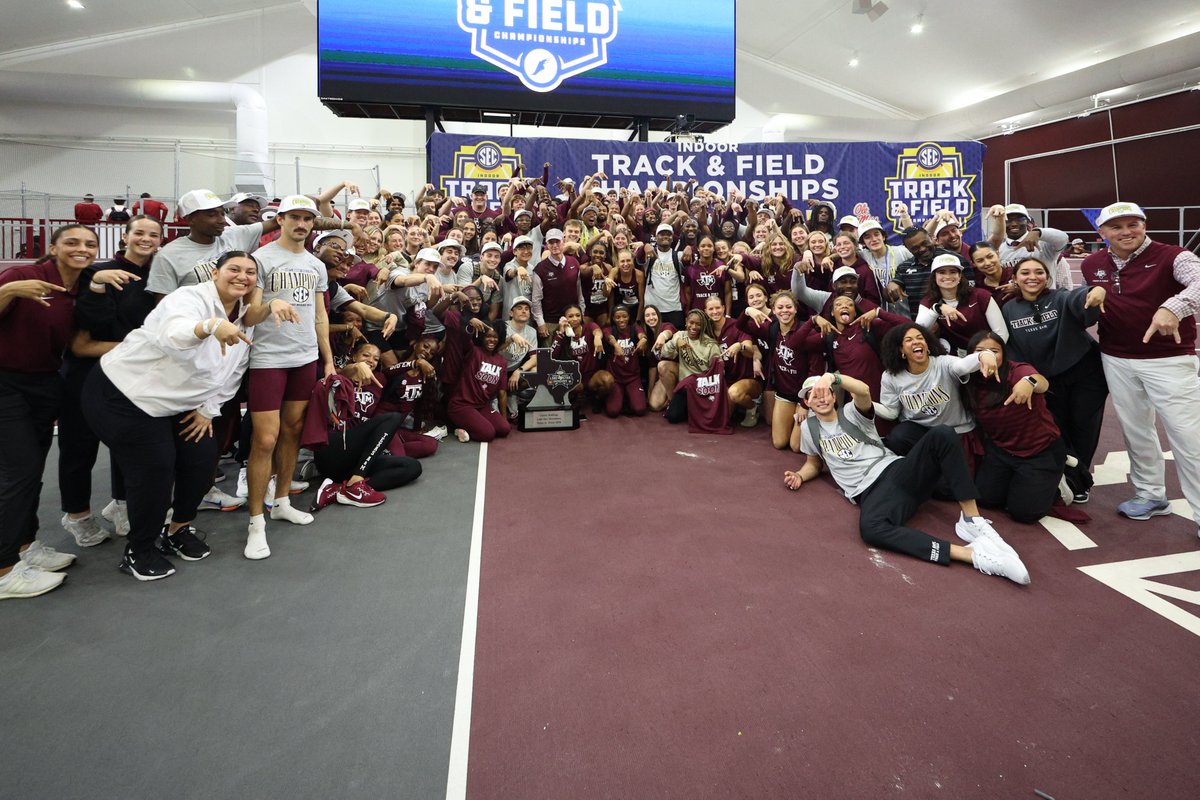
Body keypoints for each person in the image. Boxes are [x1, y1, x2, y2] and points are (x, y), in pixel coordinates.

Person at [83, 251, 298, 580]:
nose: (242, 276)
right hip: (124, 394)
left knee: (201, 462)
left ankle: (177, 530)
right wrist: (210, 326)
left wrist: (208, 410)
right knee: (156, 467)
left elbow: (232, 372)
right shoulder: (188, 298)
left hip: (179, 402)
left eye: (250, 272)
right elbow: (172, 335)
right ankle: (138, 549)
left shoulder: (245, 316)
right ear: (215, 273)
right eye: (234, 269)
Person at [786, 373, 1030, 585]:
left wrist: (834, 377)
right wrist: (799, 475)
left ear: (833, 395)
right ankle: (973, 555)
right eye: (813, 395)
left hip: (895, 471)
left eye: (824, 392)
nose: (820, 398)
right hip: (872, 494)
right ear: (806, 402)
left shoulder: (852, 412)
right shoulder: (809, 428)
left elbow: (863, 391)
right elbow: (813, 463)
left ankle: (971, 519)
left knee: (942, 434)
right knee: (870, 529)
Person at [0, 224, 110, 599]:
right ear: (53, 247)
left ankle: (25, 545)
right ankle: (3, 571)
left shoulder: (82, 288)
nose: (82, 249)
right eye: (73, 242)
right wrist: (9, 291)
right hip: (5, 382)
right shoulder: (23, 275)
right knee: (18, 471)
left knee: (30, 472)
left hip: (45, 383)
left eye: (90, 244)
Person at [1079, 201, 1200, 531]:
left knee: (1189, 438)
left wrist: (1174, 307)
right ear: (1101, 232)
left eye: (1133, 224)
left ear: (1144, 225)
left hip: (1169, 360)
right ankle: (1150, 494)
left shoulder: (1173, 256)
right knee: (1136, 431)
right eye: (1116, 227)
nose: (1126, 232)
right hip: (1116, 357)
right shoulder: (1092, 263)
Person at [59, 215, 163, 543]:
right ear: (125, 236)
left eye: (154, 234)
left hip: (130, 374)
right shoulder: (95, 273)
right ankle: (77, 516)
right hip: (88, 372)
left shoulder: (159, 275)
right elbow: (82, 338)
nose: (146, 239)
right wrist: (138, 348)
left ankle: (121, 504)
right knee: (79, 447)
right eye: (140, 233)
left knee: (127, 442)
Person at [243, 195, 334, 560]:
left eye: (307, 218)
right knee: (265, 439)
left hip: (304, 358)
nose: (301, 223)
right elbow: (249, 317)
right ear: (280, 219)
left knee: (294, 430)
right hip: (267, 359)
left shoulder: (315, 265)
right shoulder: (260, 260)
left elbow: (320, 316)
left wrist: (327, 361)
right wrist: (271, 306)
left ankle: (281, 500)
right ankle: (255, 523)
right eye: (294, 217)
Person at [1003, 256, 1108, 501]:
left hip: (1085, 373)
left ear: (1047, 277)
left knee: (1084, 427)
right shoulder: (1008, 309)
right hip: (1047, 380)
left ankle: (1080, 481)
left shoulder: (1059, 297)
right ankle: (1070, 474)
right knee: (1057, 429)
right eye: (1025, 273)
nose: (1032, 277)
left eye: (1039, 272)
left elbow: (1079, 298)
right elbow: (1013, 349)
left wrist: (1095, 291)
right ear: (1015, 279)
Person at [305, 342, 422, 512]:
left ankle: (339, 490)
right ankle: (357, 480)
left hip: (354, 458)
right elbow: (336, 375)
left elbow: (393, 370)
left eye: (375, 358)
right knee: (392, 418)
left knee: (411, 467)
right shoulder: (339, 379)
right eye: (366, 355)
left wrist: (416, 363)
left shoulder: (378, 380)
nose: (371, 360)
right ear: (354, 356)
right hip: (332, 449)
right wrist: (354, 368)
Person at [965, 332, 1066, 523]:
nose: (988, 356)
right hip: (1001, 450)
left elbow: (1041, 382)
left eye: (994, 351)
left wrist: (1029, 382)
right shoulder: (968, 380)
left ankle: (1061, 480)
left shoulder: (1017, 371)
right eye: (980, 351)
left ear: (1004, 353)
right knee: (986, 499)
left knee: (1024, 513)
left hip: (1039, 451)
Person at [876, 323, 996, 460]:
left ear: (927, 345)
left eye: (920, 338)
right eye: (908, 340)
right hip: (922, 433)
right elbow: (891, 412)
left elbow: (962, 365)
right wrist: (866, 403)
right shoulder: (891, 376)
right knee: (898, 435)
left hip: (955, 431)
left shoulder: (943, 363)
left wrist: (984, 355)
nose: (916, 341)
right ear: (901, 350)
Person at [914, 253, 1008, 355]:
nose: (948, 276)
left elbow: (1001, 333)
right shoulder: (929, 301)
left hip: (987, 352)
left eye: (953, 272)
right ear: (934, 277)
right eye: (942, 272)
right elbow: (919, 328)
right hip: (955, 357)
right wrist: (937, 309)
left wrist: (990, 354)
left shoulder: (980, 295)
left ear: (960, 276)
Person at [659, 309, 725, 427]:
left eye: (698, 324)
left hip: (701, 387)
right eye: (691, 323)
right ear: (686, 322)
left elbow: (717, 372)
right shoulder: (680, 335)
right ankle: (672, 401)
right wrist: (676, 342)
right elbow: (664, 353)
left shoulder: (711, 345)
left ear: (703, 325)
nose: (693, 327)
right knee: (673, 417)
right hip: (684, 386)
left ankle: (690, 408)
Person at [446, 322, 510, 443]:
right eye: (488, 336)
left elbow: (502, 393)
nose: (491, 340)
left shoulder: (502, 361)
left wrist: (504, 418)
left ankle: (473, 424)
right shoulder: (473, 352)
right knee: (487, 434)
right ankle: (456, 429)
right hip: (461, 405)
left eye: (495, 337)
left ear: (500, 338)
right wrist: (470, 322)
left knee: (504, 429)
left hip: (482, 406)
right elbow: (464, 337)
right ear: (482, 337)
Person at [991, 203, 1072, 289]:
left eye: (1020, 219)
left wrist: (1038, 232)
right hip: (1011, 300)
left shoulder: (1044, 245)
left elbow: (1063, 238)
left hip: (1043, 299)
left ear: (1027, 222)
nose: (1014, 223)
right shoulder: (999, 249)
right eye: (1008, 220)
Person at [531, 228, 584, 343]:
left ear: (563, 241)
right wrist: (541, 323)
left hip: (573, 321)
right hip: (551, 322)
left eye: (557, 241)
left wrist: (581, 316)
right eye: (551, 242)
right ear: (547, 245)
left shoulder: (574, 263)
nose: (555, 245)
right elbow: (536, 299)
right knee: (551, 357)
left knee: (573, 356)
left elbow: (579, 292)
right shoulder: (540, 269)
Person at [601, 304, 648, 417]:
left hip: (632, 377)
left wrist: (643, 339)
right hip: (615, 378)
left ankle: (629, 397)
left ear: (629, 317)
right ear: (613, 319)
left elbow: (641, 334)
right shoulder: (610, 330)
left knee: (640, 409)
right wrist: (616, 345)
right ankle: (620, 397)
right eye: (617, 317)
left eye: (624, 316)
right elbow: (608, 336)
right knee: (613, 411)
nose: (621, 320)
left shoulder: (635, 328)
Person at [642, 223, 686, 329]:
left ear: (672, 238)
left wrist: (689, 247)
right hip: (653, 309)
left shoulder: (679, 256)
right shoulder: (648, 255)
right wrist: (645, 246)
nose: (665, 236)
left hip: (674, 308)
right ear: (656, 237)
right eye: (662, 234)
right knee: (654, 342)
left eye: (668, 234)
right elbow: (638, 257)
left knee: (675, 341)